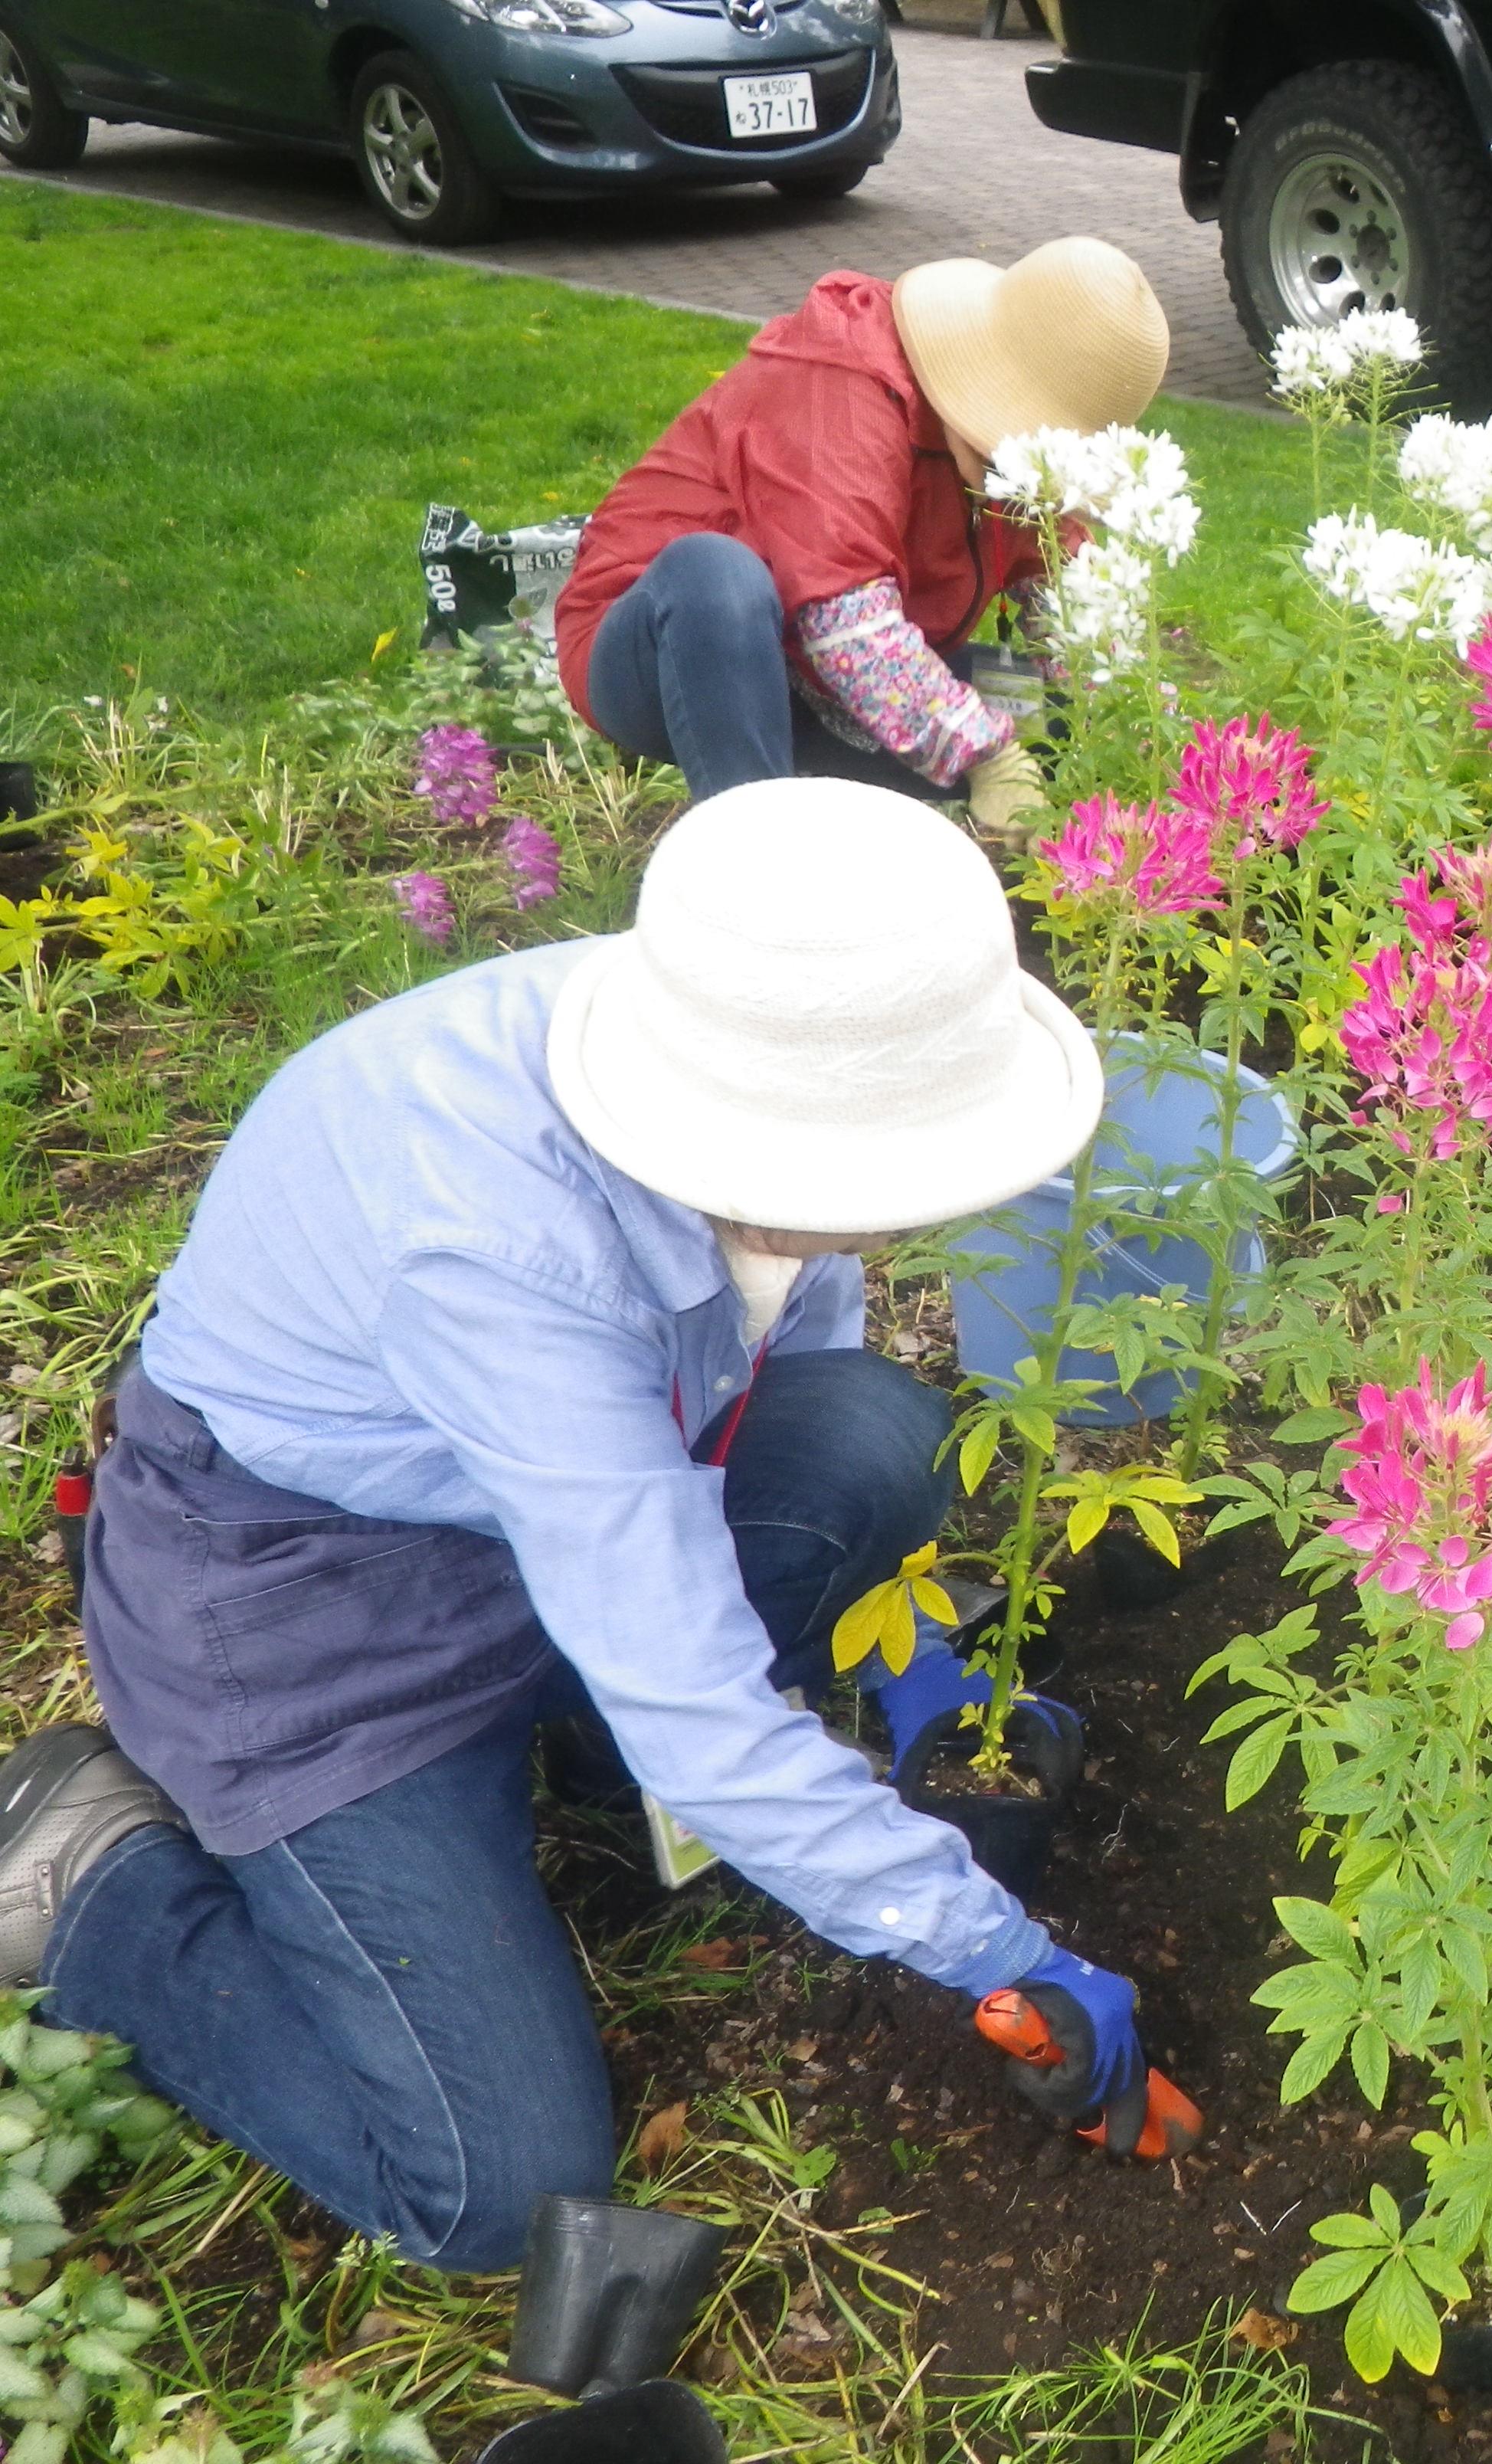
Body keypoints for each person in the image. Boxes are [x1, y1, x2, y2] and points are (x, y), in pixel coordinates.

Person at [0, 781, 1184, 2273]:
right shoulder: (499, 1242)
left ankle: (577, 1746)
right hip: (305, 1597)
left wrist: (914, 1650)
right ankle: (95, 1885)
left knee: (871, 1436)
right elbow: (697, 1710)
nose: (893, 1218)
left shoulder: (741, 1073)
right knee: (495, 2185)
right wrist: (999, 1951)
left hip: (541, 1507)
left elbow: (787, 1384)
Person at [555, 238, 1168, 836]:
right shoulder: (848, 387)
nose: (1024, 480)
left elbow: (1067, 600)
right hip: (666, 650)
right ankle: (754, 877)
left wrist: (1151, 729)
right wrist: (987, 755)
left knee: (1055, 713)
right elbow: (845, 621)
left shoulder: (1009, 466)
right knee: (715, 574)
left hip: (823, 676)